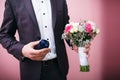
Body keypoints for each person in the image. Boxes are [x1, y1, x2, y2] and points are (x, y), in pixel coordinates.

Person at [0, 0, 90, 80]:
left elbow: (64, 28)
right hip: (31, 70)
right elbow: (4, 35)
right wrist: (22, 50)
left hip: (59, 69)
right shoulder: (13, 1)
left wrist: (74, 42)